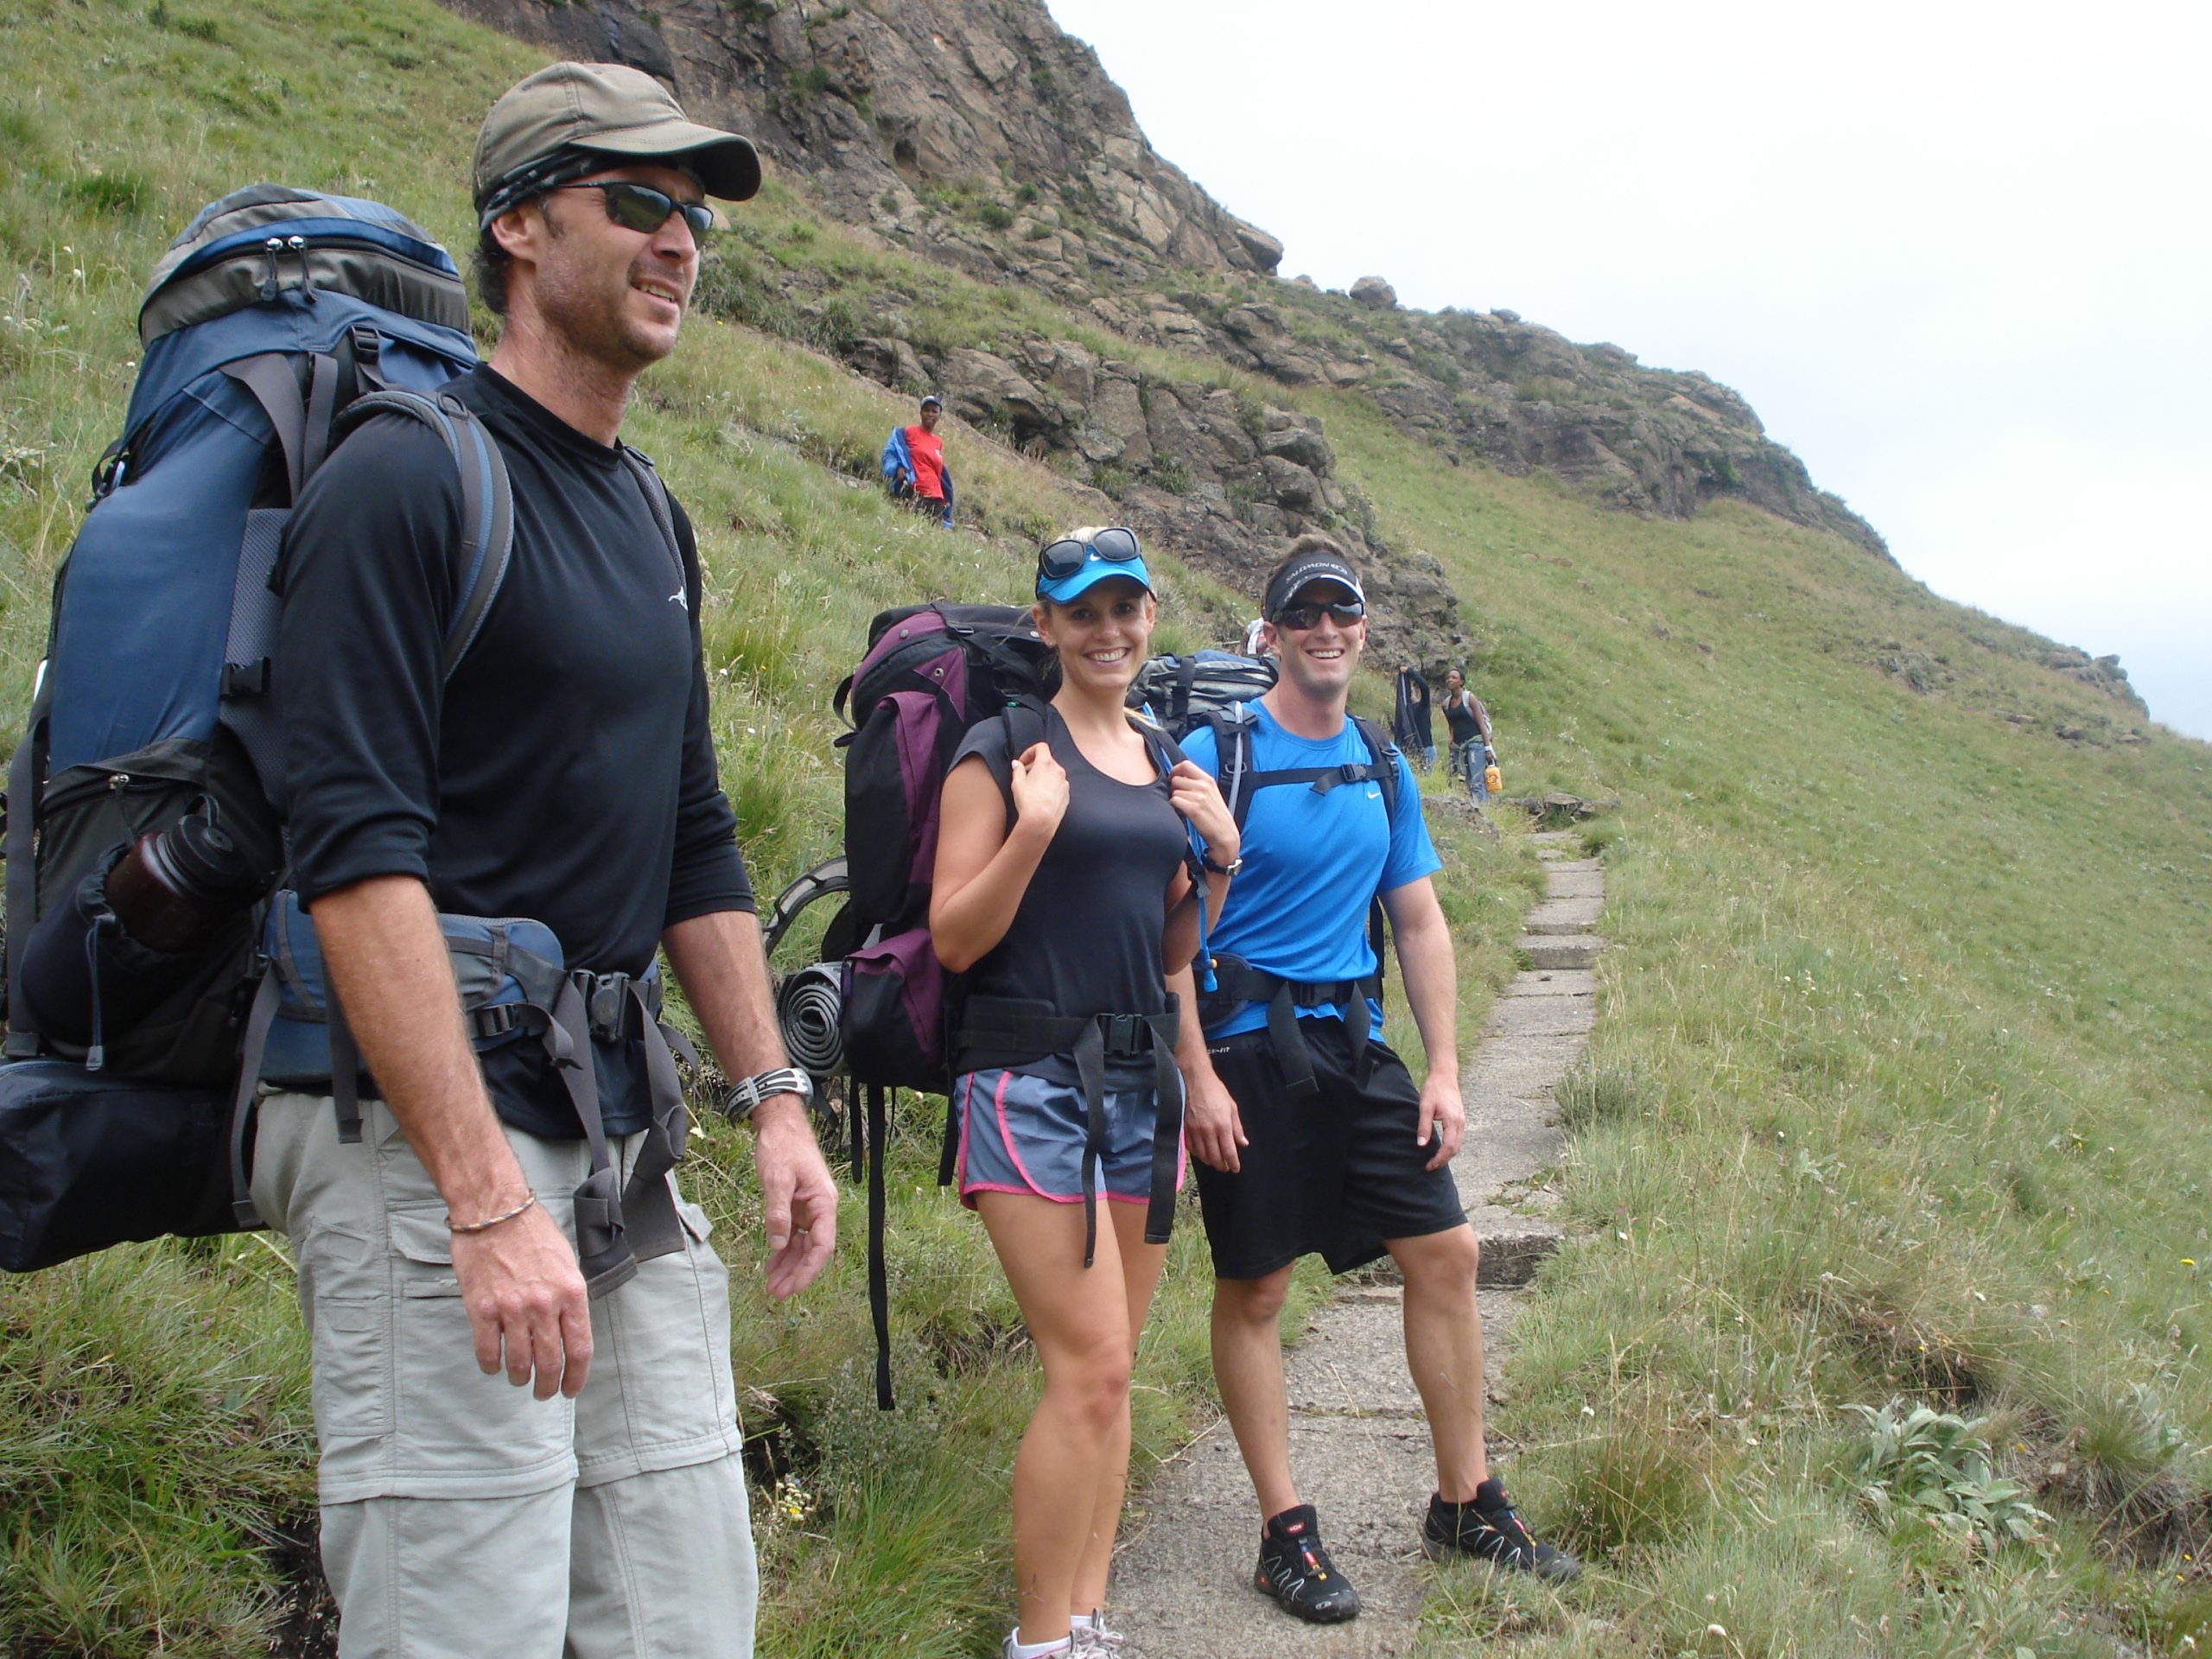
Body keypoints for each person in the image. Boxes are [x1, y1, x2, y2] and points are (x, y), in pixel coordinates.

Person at [258, 61, 839, 1656]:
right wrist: (479, 1197)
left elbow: (693, 833)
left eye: (697, 217)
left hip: (616, 1132)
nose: (680, 241)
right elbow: (354, 858)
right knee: (467, 1624)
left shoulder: (649, 511)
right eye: (638, 201)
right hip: (428, 1136)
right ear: (519, 226)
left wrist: (773, 1099)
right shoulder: (405, 476)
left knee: (685, 1613)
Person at [1167, 536, 1578, 1625]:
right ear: (1271, 634)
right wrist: (1196, 1077)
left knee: (1447, 1252)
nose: (1324, 630)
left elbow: (1419, 920)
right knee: (1257, 1288)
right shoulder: (1215, 752)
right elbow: (1163, 934)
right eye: (1302, 614)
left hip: (1356, 1045)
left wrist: (1443, 1070)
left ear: (1362, 630)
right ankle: (1285, 1532)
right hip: (1243, 1051)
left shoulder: (1380, 757)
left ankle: (1466, 1502)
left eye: (1340, 613)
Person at [930, 526, 1239, 1659]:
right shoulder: (1003, 749)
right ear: (1046, 624)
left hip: (1137, 1086)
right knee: (1091, 1368)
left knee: (1114, 1374)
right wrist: (1034, 833)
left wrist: (1218, 860)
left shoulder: (1160, 756)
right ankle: (1040, 1640)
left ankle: (1088, 1618)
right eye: (1083, 612)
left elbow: (1165, 950)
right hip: (1027, 1082)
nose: (1109, 631)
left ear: (1150, 615)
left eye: (1126, 608)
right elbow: (953, 938)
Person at [881, 391, 956, 526]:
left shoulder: (938, 442)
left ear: (939, 415)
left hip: (936, 501)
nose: (930, 414)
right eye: (926, 410)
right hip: (914, 494)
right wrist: (897, 468)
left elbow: (938, 472)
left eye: (934, 411)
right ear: (921, 413)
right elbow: (889, 453)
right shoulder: (907, 432)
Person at [1441, 666, 1496, 803]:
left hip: (1475, 743)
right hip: (1459, 746)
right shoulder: (1446, 704)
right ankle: (1476, 807)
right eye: (1448, 678)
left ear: (1461, 682)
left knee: (1477, 781)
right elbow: (1451, 724)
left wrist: (1488, 748)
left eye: (1454, 678)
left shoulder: (1469, 698)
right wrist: (1451, 739)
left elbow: (1481, 723)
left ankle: (1482, 809)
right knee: (1467, 781)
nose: (1450, 680)